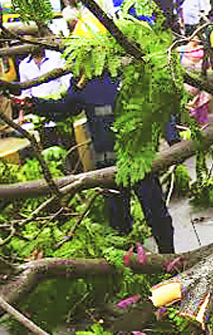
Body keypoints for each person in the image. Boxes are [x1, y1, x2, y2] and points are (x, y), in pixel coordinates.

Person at [16, 74, 176, 253]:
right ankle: (129, 268)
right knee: (118, 222)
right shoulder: (82, 80)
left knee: (156, 215)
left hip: (141, 162)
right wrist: (32, 104)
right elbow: (65, 108)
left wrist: (173, 139)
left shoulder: (133, 71)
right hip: (108, 168)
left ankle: (169, 260)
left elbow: (160, 106)